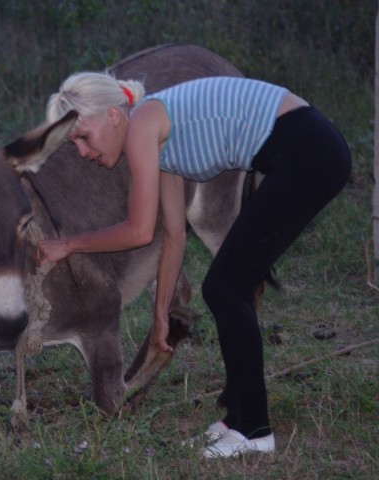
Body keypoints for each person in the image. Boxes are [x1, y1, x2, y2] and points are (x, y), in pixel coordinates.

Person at [33, 72, 351, 458]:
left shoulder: (143, 126)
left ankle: (253, 430)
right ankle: (237, 421)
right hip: (306, 150)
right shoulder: (157, 134)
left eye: (84, 137)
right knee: (226, 287)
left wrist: (66, 245)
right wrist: (160, 314)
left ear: (113, 115)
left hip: (309, 151)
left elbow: (138, 231)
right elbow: (173, 234)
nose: (83, 152)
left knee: (225, 288)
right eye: (75, 144)